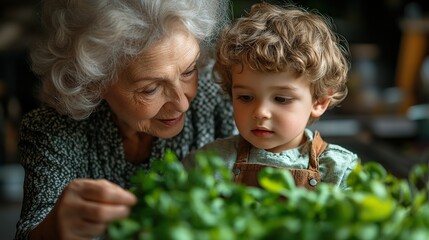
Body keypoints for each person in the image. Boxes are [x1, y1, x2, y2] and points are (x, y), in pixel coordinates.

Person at [15, 0, 237, 239]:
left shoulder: (223, 96)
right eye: (150, 89)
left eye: (188, 71)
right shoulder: (52, 130)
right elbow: (30, 231)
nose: (182, 103)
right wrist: (52, 230)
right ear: (94, 82)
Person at [183, 2, 358, 190]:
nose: (260, 112)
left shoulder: (339, 170)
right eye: (245, 97)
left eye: (281, 99)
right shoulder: (210, 162)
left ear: (319, 102)